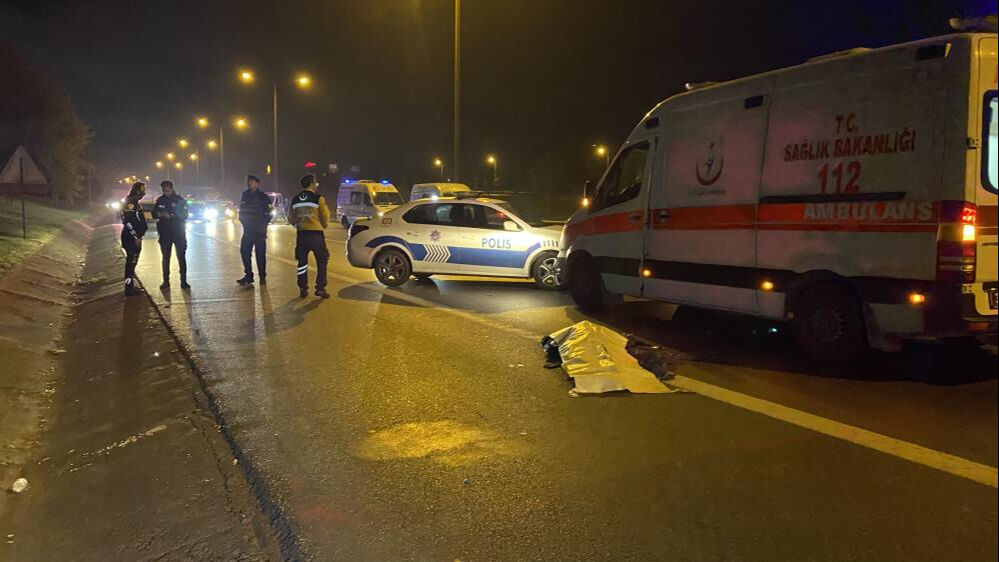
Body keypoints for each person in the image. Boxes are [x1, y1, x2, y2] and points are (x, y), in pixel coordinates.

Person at [287, 173, 331, 298]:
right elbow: (324, 216)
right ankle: (320, 288)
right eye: (315, 183)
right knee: (322, 261)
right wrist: (324, 224)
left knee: (302, 262)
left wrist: (297, 225)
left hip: (302, 234)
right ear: (311, 184)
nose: (316, 185)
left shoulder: (295, 199)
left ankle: (303, 288)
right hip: (316, 234)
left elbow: (290, 217)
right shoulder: (318, 198)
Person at [152, 180, 190, 289]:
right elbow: (154, 213)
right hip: (165, 235)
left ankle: (183, 281)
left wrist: (171, 216)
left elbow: (185, 214)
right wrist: (159, 214)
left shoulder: (180, 200)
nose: (165, 192)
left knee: (181, 258)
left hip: (179, 234)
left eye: (167, 190)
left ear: (172, 188)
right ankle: (165, 281)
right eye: (163, 190)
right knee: (165, 258)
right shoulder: (160, 200)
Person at [236, 175, 272, 285]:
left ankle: (262, 276)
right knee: (244, 252)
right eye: (249, 182)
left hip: (259, 231)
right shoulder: (245, 195)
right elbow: (242, 211)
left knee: (260, 255)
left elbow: (270, 212)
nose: (250, 184)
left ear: (257, 183)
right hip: (248, 231)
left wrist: (263, 224)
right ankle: (248, 276)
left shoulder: (263, 197)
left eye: (252, 182)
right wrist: (243, 221)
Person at [120, 181, 148, 297]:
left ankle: (130, 285)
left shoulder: (135, 202)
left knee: (133, 263)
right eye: (142, 189)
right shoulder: (130, 202)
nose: (144, 192)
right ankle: (128, 288)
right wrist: (136, 236)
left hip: (135, 237)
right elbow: (128, 221)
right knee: (130, 263)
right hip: (130, 238)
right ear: (137, 190)